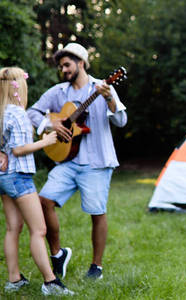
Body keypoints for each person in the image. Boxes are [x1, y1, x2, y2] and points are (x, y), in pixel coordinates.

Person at [26, 43, 127, 280]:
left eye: (67, 64)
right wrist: (53, 124)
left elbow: (121, 120)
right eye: (61, 66)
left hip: (97, 162)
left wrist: (110, 99)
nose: (64, 69)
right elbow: (32, 112)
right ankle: (58, 254)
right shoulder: (58, 92)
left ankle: (96, 267)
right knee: (44, 201)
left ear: (81, 63)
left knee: (96, 211)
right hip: (67, 161)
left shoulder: (103, 86)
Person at [0, 67, 74, 295]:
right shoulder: (17, 113)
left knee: (13, 228)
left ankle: (14, 279)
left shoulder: (1, 112)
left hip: (3, 177)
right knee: (39, 230)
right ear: (18, 87)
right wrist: (46, 140)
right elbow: (20, 149)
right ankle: (50, 282)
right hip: (19, 177)